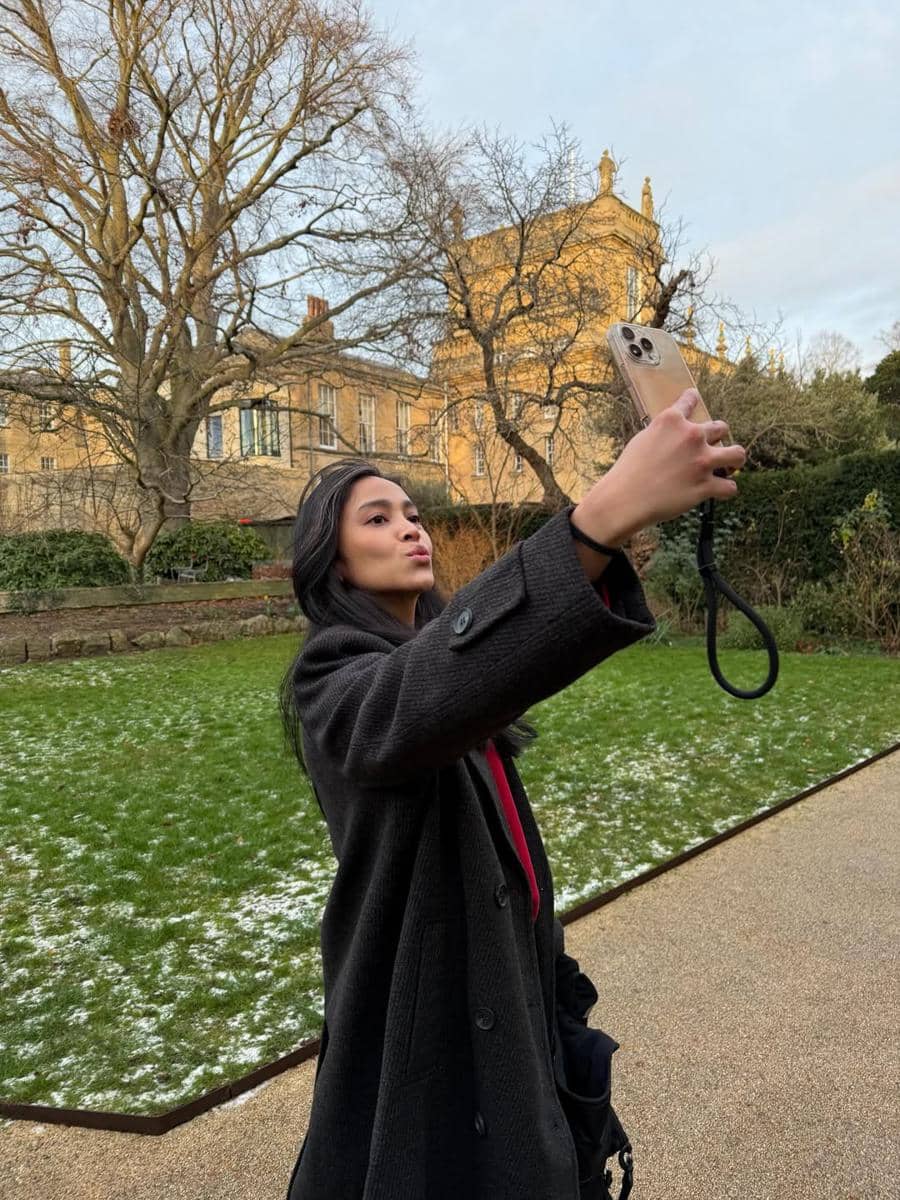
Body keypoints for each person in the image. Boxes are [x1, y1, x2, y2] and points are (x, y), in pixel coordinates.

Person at [280, 389, 745, 1200]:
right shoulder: (334, 681)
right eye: (378, 520)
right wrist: (597, 518)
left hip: (511, 1000)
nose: (411, 528)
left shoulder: (441, 667)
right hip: (421, 1028)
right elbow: (419, 696)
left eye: (413, 513)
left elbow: (475, 662)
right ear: (333, 559)